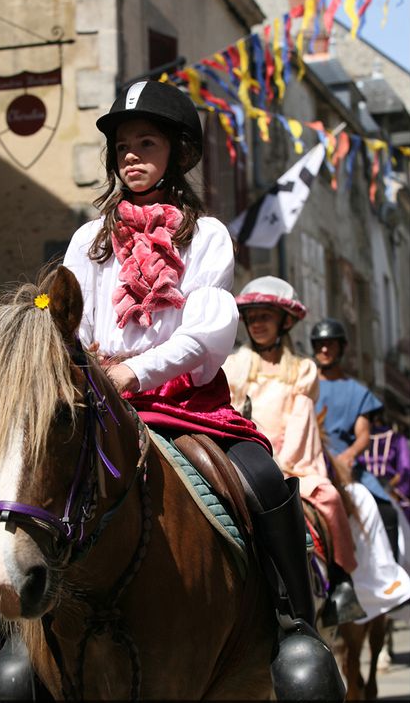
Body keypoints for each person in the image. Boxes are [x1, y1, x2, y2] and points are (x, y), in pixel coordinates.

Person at [61, 78, 345, 700]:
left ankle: (296, 626)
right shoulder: (89, 241)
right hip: (104, 403)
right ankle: (22, 640)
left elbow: (210, 331)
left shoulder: (207, 234)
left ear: (176, 153)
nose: (131, 155)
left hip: (186, 404)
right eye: (122, 146)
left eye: (146, 143)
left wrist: (135, 372)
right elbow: (71, 323)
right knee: (34, 482)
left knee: (266, 479)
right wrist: (90, 370)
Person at [222, 275, 365, 626]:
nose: (256, 324)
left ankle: (340, 583)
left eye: (265, 317)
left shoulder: (303, 371)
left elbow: (301, 426)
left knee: (329, 497)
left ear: (285, 322)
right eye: (252, 318)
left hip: (292, 461)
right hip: (241, 456)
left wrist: (281, 465)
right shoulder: (232, 366)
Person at [311, 319, 410, 622]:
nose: (324, 349)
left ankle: (388, 585)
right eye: (319, 344)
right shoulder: (305, 383)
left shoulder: (356, 391)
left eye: (330, 344)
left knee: (388, 512)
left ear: (342, 348)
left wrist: (346, 457)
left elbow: (364, 436)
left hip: (348, 468)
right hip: (309, 461)